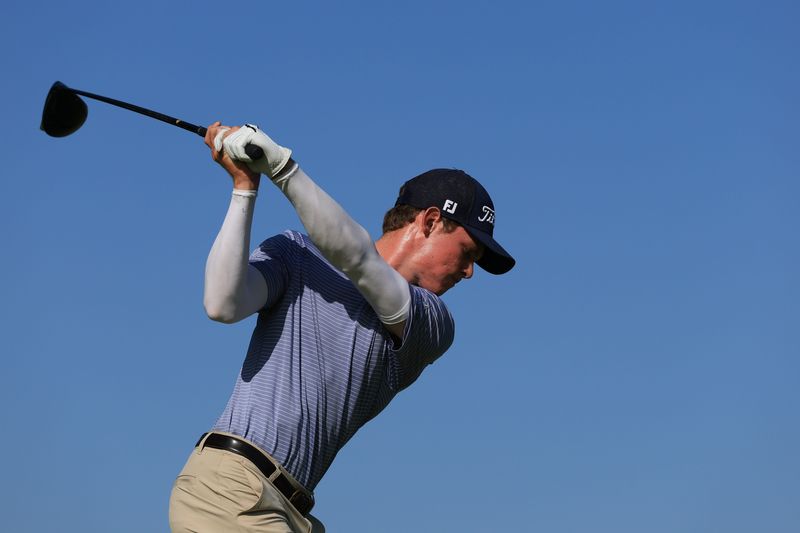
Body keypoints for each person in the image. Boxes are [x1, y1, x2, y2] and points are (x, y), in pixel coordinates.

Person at [168, 122, 515, 532]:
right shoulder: (297, 253)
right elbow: (223, 304)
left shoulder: (433, 322)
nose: (470, 271)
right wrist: (245, 187)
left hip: (292, 511)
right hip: (230, 487)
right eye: (468, 251)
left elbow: (361, 262)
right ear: (430, 221)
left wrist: (282, 167)